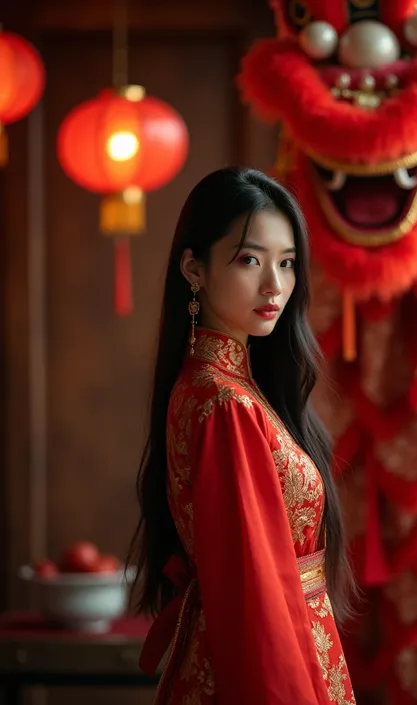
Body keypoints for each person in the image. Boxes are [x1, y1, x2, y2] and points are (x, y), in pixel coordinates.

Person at [129, 167, 356, 704]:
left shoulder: (224, 389)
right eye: (251, 260)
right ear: (194, 268)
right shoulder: (225, 404)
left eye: (287, 263)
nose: (275, 285)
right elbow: (255, 597)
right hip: (269, 661)